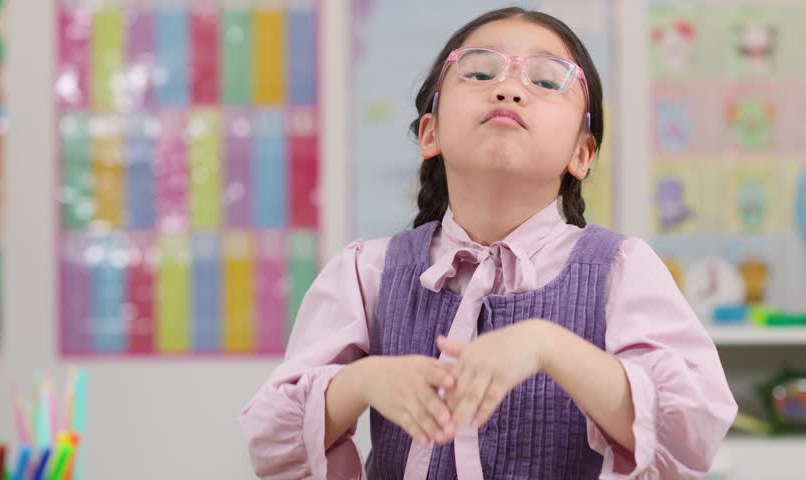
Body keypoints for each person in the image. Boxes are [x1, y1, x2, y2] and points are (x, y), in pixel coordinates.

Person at [241, 7, 737, 479]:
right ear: (430, 133)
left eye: (546, 80)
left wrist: (550, 346)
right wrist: (359, 383)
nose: (509, 89)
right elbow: (268, 442)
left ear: (581, 154)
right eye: (480, 73)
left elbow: (692, 432)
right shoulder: (365, 271)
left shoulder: (622, 269)